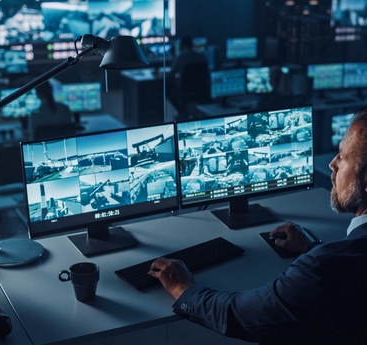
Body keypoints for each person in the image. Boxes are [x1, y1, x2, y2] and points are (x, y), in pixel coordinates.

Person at [149, 107, 367, 344]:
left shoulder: (322, 267)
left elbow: (239, 314)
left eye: (343, 157)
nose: (332, 164)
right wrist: (312, 247)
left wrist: (182, 289)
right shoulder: (336, 262)